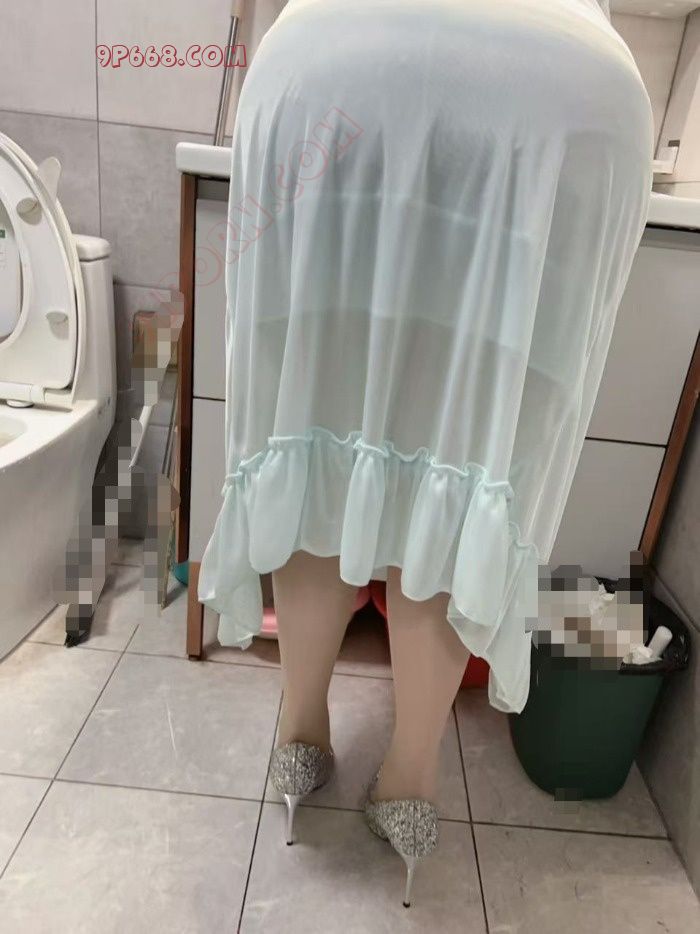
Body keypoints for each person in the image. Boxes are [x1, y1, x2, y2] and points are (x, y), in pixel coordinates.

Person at [199, 0, 653, 906]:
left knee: (314, 420)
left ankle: (299, 737)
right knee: (468, 460)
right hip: (563, 90)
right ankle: (409, 782)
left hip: (337, 52)